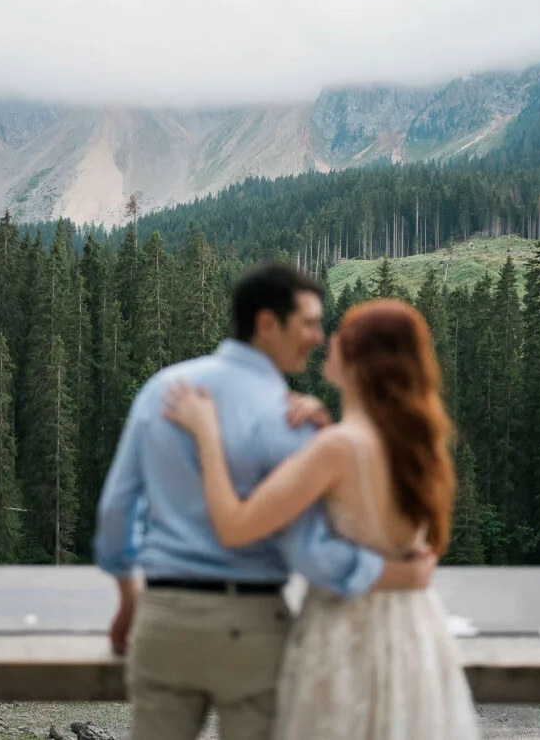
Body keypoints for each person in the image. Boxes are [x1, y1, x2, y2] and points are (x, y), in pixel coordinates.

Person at [93, 262, 437, 740]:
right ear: (267, 323)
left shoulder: (163, 390)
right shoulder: (288, 419)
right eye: (310, 323)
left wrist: (129, 597)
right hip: (252, 629)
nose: (320, 337)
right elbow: (308, 551)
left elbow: (115, 507)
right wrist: (395, 573)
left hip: (164, 620)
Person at [163, 297, 478, 740]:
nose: (329, 340)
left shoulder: (337, 450)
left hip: (346, 639)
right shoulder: (416, 445)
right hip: (414, 635)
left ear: (361, 362)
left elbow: (234, 524)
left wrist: (206, 433)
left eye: (343, 337)